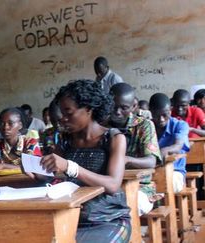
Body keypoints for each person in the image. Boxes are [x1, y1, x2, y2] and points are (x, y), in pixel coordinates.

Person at [32, 80, 130, 242]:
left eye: (68, 113)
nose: (63, 119)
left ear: (88, 109)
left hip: (107, 219)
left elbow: (113, 185)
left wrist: (71, 167)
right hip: (70, 215)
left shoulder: (114, 138)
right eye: (62, 113)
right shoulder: (65, 140)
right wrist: (38, 172)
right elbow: (52, 174)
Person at [109, 83, 162, 216]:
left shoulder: (144, 125)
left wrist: (125, 160)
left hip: (141, 186)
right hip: (108, 185)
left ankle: (129, 236)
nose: (117, 112)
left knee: (128, 205)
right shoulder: (102, 125)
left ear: (133, 107)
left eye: (124, 108)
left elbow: (151, 161)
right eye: (113, 106)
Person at [0, 107, 42, 175]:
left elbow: (33, 168)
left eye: (10, 123)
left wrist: (4, 166)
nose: (5, 127)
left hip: (27, 183)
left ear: (20, 125)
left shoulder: (30, 143)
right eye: (2, 123)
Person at [149, 93, 189, 193]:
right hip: (151, 172)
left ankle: (163, 206)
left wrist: (163, 150)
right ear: (151, 113)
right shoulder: (146, 127)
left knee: (163, 183)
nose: (161, 119)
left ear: (170, 111)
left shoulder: (180, 125)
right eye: (156, 115)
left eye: (165, 115)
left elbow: (178, 146)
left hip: (175, 172)